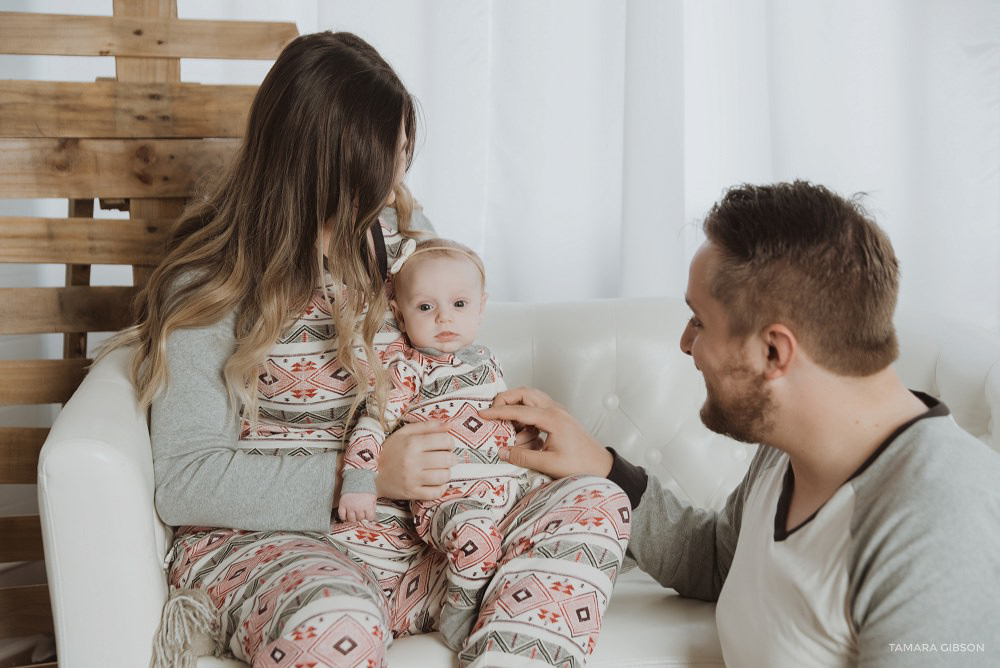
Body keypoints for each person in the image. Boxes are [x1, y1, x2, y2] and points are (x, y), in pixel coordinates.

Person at [104, 31, 630, 668]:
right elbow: (184, 479)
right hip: (289, 546)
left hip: (421, 542)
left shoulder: (399, 243)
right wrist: (366, 474)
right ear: (330, 164)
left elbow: (442, 360)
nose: (397, 185)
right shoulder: (212, 287)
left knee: (596, 498)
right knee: (334, 623)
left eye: (404, 157)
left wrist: (482, 438)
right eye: (387, 163)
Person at [481, 181, 1000, 667]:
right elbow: (718, 561)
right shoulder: (792, 443)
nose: (686, 343)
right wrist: (601, 468)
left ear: (774, 351)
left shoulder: (938, 528)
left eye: (700, 322)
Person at [338, 237, 550, 648]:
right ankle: (460, 611)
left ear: (481, 307)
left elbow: (497, 417)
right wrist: (359, 479)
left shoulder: (488, 360)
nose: (443, 319)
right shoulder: (408, 369)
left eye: (458, 305)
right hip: (445, 499)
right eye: (424, 307)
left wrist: (521, 435)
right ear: (399, 315)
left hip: (508, 488)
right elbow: (371, 423)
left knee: (570, 502)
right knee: (476, 534)